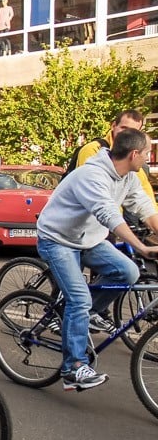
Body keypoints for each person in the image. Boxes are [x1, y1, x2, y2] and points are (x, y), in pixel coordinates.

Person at [37, 128, 158, 391]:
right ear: (134, 154)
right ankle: (73, 368)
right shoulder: (91, 175)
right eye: (147, 153)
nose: (148, 159)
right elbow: (109, 216)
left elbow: (146, 208)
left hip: (88, 239)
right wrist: (141, 247)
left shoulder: (128, 176)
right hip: (57, 240)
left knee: (128, 272)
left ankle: (85, 314)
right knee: (78, 298)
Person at [72, 110, 155, 210]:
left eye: (132, 132)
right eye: (124, 128)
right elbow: (96, 197)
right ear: (113, 126)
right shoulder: (93, 150)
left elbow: (145, 197)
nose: (126, 134)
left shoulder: (135, 160)